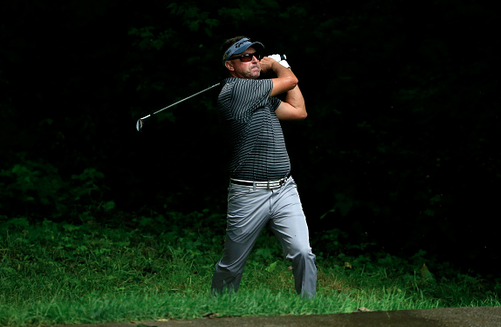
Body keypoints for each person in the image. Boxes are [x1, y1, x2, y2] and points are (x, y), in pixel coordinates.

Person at [211, 36, 317, 298]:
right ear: (230, 66)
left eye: (257, 55)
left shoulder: (260, 96)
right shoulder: (236, 91)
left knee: (303, 252)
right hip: (248, 193)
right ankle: (217, 311)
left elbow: (298, 110)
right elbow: (290, 80)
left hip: (284, 189)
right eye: (245, 57)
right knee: (231, 264)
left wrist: (283, 68)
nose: (256, 60)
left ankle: (309, 311)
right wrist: (278, 66)